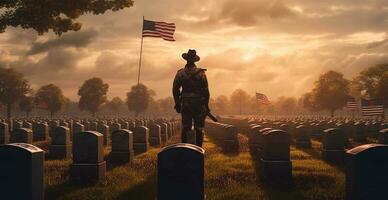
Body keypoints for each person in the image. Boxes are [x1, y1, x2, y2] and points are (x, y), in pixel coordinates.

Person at [172, 49, 210, 147]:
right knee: (199, 128)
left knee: (185, 127)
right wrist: (206, 105)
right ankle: (199, 150)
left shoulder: (180, 73)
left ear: (187, 60)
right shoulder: (201, 73)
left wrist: (177, 103)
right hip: (199, 104)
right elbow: (206, 91)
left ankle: (185, 149)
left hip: (185, 103)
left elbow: (175, 89)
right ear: (194, 60)